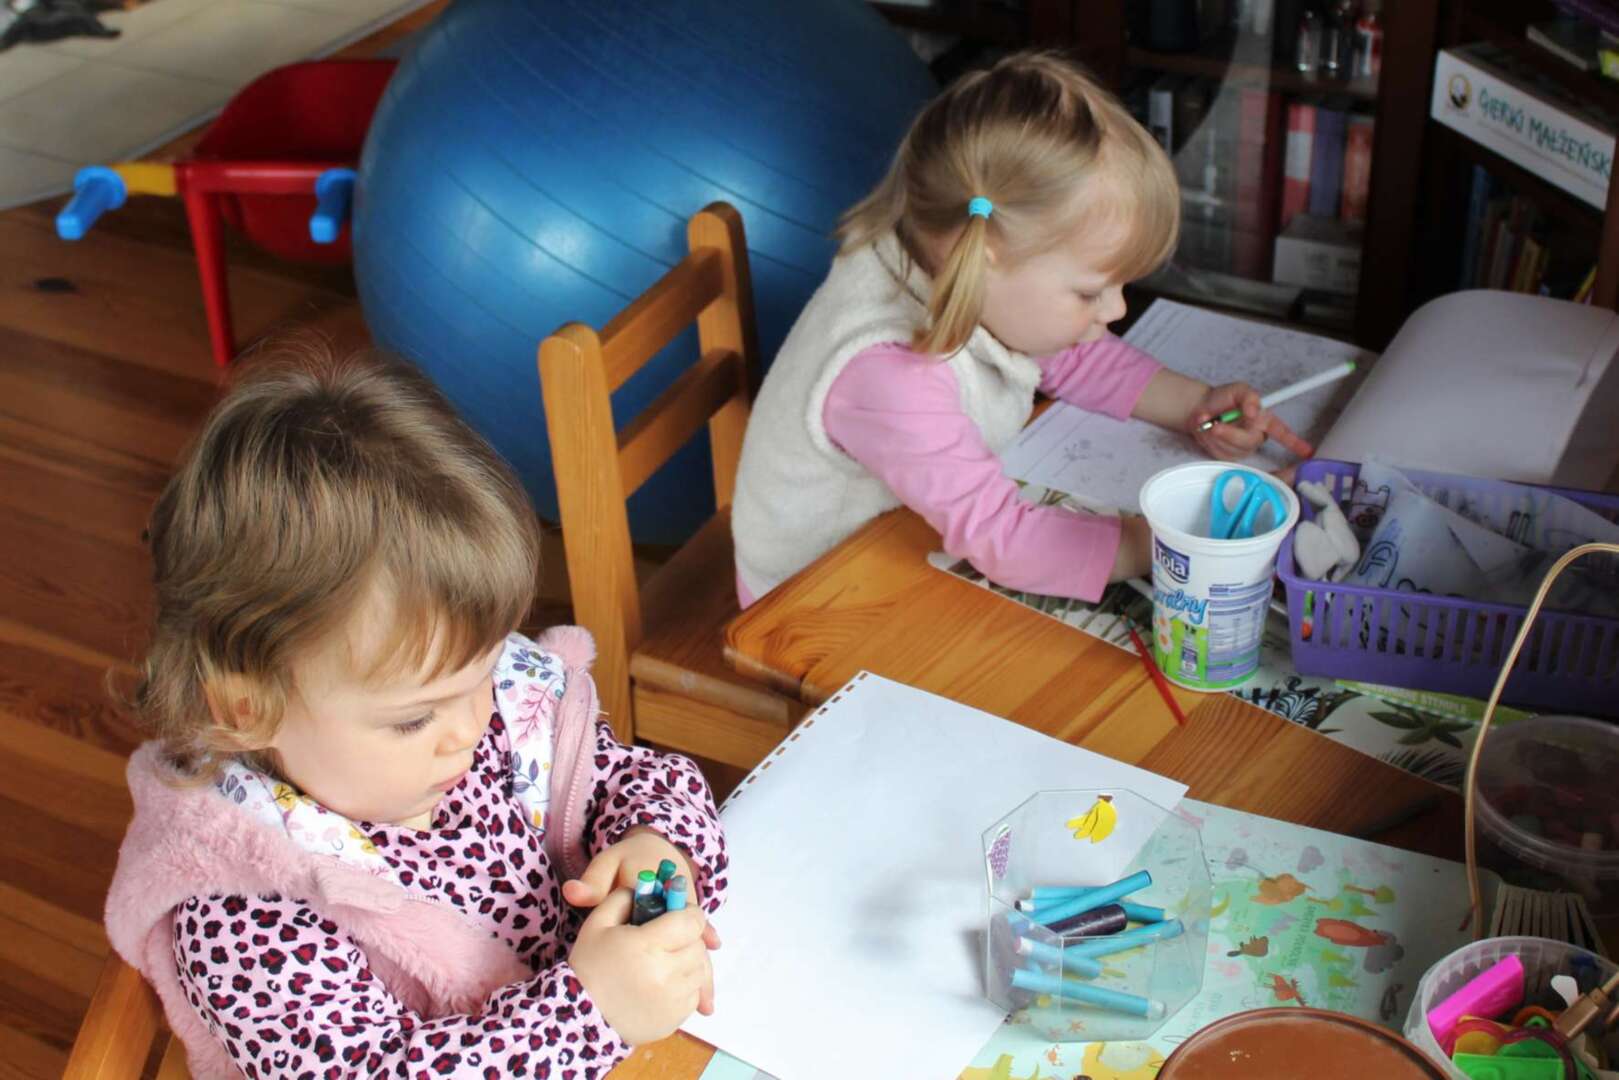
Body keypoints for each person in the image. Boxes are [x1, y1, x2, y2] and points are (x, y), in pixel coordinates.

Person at [103, 347, 727, 1079]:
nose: (470, 729)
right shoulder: (242, 918)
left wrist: (655, 844)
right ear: (249, 709)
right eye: (413, 720)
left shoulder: (479, 714)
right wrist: (590, 1015)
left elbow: (638, 777)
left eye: (485, 672)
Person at [731, 51, 1310, 607]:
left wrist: (1195, 405)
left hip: (893, 539)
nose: (1115, 310)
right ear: (986, 258)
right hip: (810, 599)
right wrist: (1179, 539)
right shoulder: (890, 373)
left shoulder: (967, 269)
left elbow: (1073, 355)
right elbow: (1004, 541)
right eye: (1090, 292)